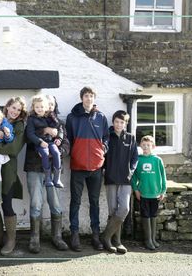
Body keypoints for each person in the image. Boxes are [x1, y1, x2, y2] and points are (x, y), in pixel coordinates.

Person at [66, 86, 109, 251]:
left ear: (94, 98)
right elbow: (68, 139)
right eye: (86, 96)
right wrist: (75, 153)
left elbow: (106, 137)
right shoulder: (72, 117)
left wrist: (103, 149)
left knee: (94, 202)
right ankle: (74, 234)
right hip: (78, 166)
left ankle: (95, 235)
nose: (89, 99)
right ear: (81, 98)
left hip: (96, 168)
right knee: (75, 202)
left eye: (91, 96)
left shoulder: (101, 117)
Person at [24, 94, 69, 253]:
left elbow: (66, 146)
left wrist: (57, 151)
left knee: (55, 204)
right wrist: (44, 130)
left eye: (51, 103)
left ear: (54, 106)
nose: (49, 106)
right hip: (34, 168)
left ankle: (57, 237)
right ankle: (35, 238)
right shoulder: (32, 120)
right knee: (36, 203)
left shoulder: (60, 124)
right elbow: (27, 138)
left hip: (53, 171)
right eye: (46, 103)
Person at [0, 96, 27, 256]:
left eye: (18, 109)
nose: (15, 112)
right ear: (7, 107)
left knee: (6, 205)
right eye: (13, 107)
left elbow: (14, 148)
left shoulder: (20, 126)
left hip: (7, 171)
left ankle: (11, 240)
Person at [100, 110, 138, 253]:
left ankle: (107, 237)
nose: (119, 124)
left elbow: (135, 158)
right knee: (113, 210)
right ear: (113, 122)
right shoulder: (107, 137)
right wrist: (103, 169)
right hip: (110, 178)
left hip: (125, 179)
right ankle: (115, 242)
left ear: (126, 124)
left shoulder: (131, 138)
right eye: (116, 121)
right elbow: (101, 155)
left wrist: (131, 171)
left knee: (124, 209)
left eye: (122, 122)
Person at [131, 135, 167, 250]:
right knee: (145, 215)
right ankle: (147, 240)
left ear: (153, 146)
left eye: (148, 145)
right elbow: (133, 176)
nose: (146, 147)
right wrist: (136, 189)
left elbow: (163, 176)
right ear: (140, 146)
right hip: (143, 193)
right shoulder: (138, 159)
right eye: (143, 145)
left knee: (153, 215)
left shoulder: (157, 160)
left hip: (155, 193)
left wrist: (163, 191)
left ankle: (153, 239)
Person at [26, 94, 64, 188]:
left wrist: (59, 137)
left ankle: (57, 178)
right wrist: (40, 141)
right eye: (37, 107)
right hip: (40, 144)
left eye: (42, 106)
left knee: (56, 152)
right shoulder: (31, 119)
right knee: (45, 153)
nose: (39, 109)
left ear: (46, 107)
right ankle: (47, 178)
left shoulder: (50, 117)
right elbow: (30, 134)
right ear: (33, 107)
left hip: (50, 142)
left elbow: (60, 128)